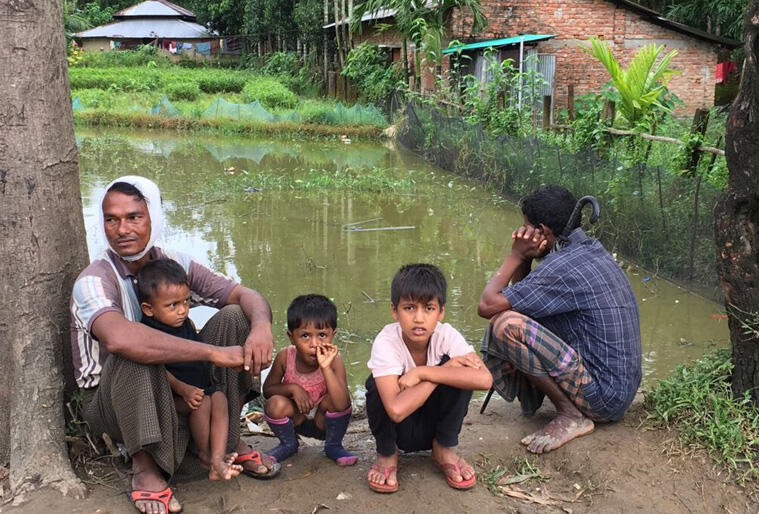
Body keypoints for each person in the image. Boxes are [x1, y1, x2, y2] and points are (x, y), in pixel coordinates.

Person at [70, 176, 279, 514]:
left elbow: (244, 295)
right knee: (131, 350)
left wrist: (261, 327)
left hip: (178, 381)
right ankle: (144, 466)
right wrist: (212, 353)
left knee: (236, 316)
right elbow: (119, 339)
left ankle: (225, 442)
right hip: (111, 400)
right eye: (112, 219)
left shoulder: (173, 263)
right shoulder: (94, 280)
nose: (122, 229)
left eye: (134, 217)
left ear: (154, 216)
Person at [477, 185, 641, 455]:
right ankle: (568, 407)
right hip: (618, 392)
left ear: (542, 230)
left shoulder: (561, 267)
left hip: (603, 398)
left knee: (505, 325)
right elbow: (526, 305)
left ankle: (570, 415)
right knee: (515, 318)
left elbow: (487, 305)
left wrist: (516, 254)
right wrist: (526, 259)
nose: (522, 232)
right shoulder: (588, 251)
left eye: (527, 227)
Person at [365, 264, 492, 493]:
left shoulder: (447, 336)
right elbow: (395, 410)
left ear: (441, 312)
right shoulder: (386, 342)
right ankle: (387, 453)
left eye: (429, 308)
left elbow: (484, 379)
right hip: (399, 430)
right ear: (395, 311)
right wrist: (442, 371)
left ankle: (443, 448)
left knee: (463, 376)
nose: (419, 318)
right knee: (375, 384)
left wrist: (425, 372)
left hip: (435, 427)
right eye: (410, 308)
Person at [137, 258, 242, 482]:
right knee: (202, 403)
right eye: (172, 305)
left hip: (198, 387)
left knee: (220, 398)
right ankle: (203, 453)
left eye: (186, 302)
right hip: (173, 395)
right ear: (148, 309)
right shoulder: (147, 332)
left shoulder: (184, 323)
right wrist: (182, 389)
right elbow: (157, 368)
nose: (182, 311)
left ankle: (217, 458)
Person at [262, 294, 357, 466]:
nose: (314, 344)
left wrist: (326, 368)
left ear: (332, 335)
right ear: (291, 337)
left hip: (324, 422)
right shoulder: (285, 357)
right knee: (275, 404)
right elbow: (268, 390)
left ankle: (333, 445)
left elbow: (343, 403)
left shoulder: (335, 360)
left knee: (335, 398)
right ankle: (288, 444)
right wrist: (292, 388)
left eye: (322, 335)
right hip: (296, 419)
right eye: (305, 336)